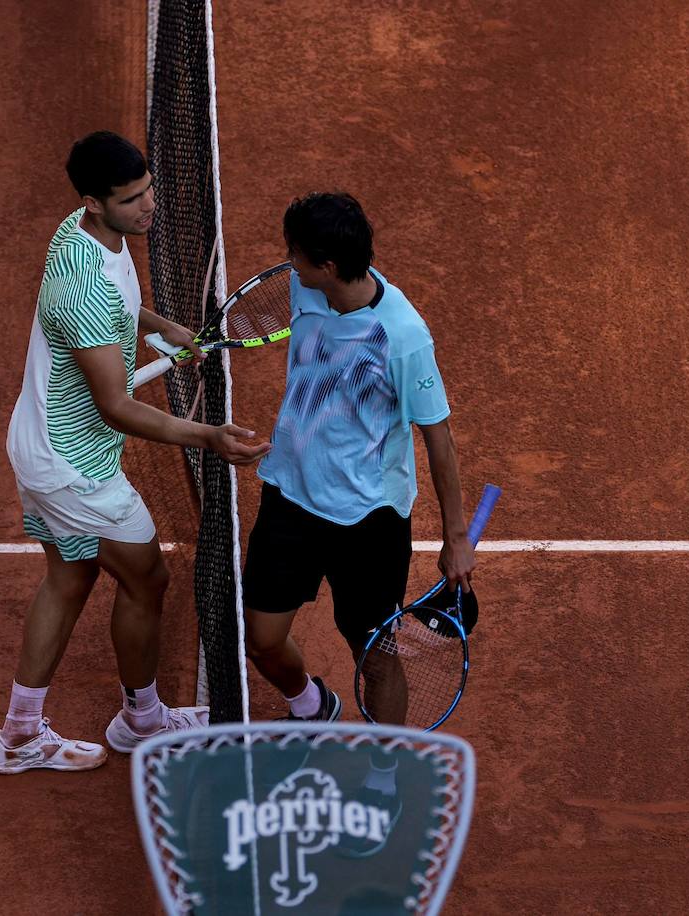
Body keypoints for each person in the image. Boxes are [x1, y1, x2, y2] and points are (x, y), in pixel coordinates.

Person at [0, 131, 270, 775]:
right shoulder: (80, 288)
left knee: (70, 576)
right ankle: (140, 721)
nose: (149, 207)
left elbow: (121, 304)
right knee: (147, 578)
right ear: (93, 201)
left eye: (148, 191)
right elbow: (116, 404)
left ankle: (20, 736)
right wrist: (209, 436)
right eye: (131, 199)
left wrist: (162, 326)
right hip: (72, 466)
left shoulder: (88, 232)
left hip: (42, 443)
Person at [241, 192, 475, 851]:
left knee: (377, 657)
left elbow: (439, 439)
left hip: (368, 522)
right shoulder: (308, 291)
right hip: (289, 495)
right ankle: (312, 706)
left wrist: (456, 538)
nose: (287, 264)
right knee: (261, 638)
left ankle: (383, 775)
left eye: (297, 256)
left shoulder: (403, 337)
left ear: (329, 263)